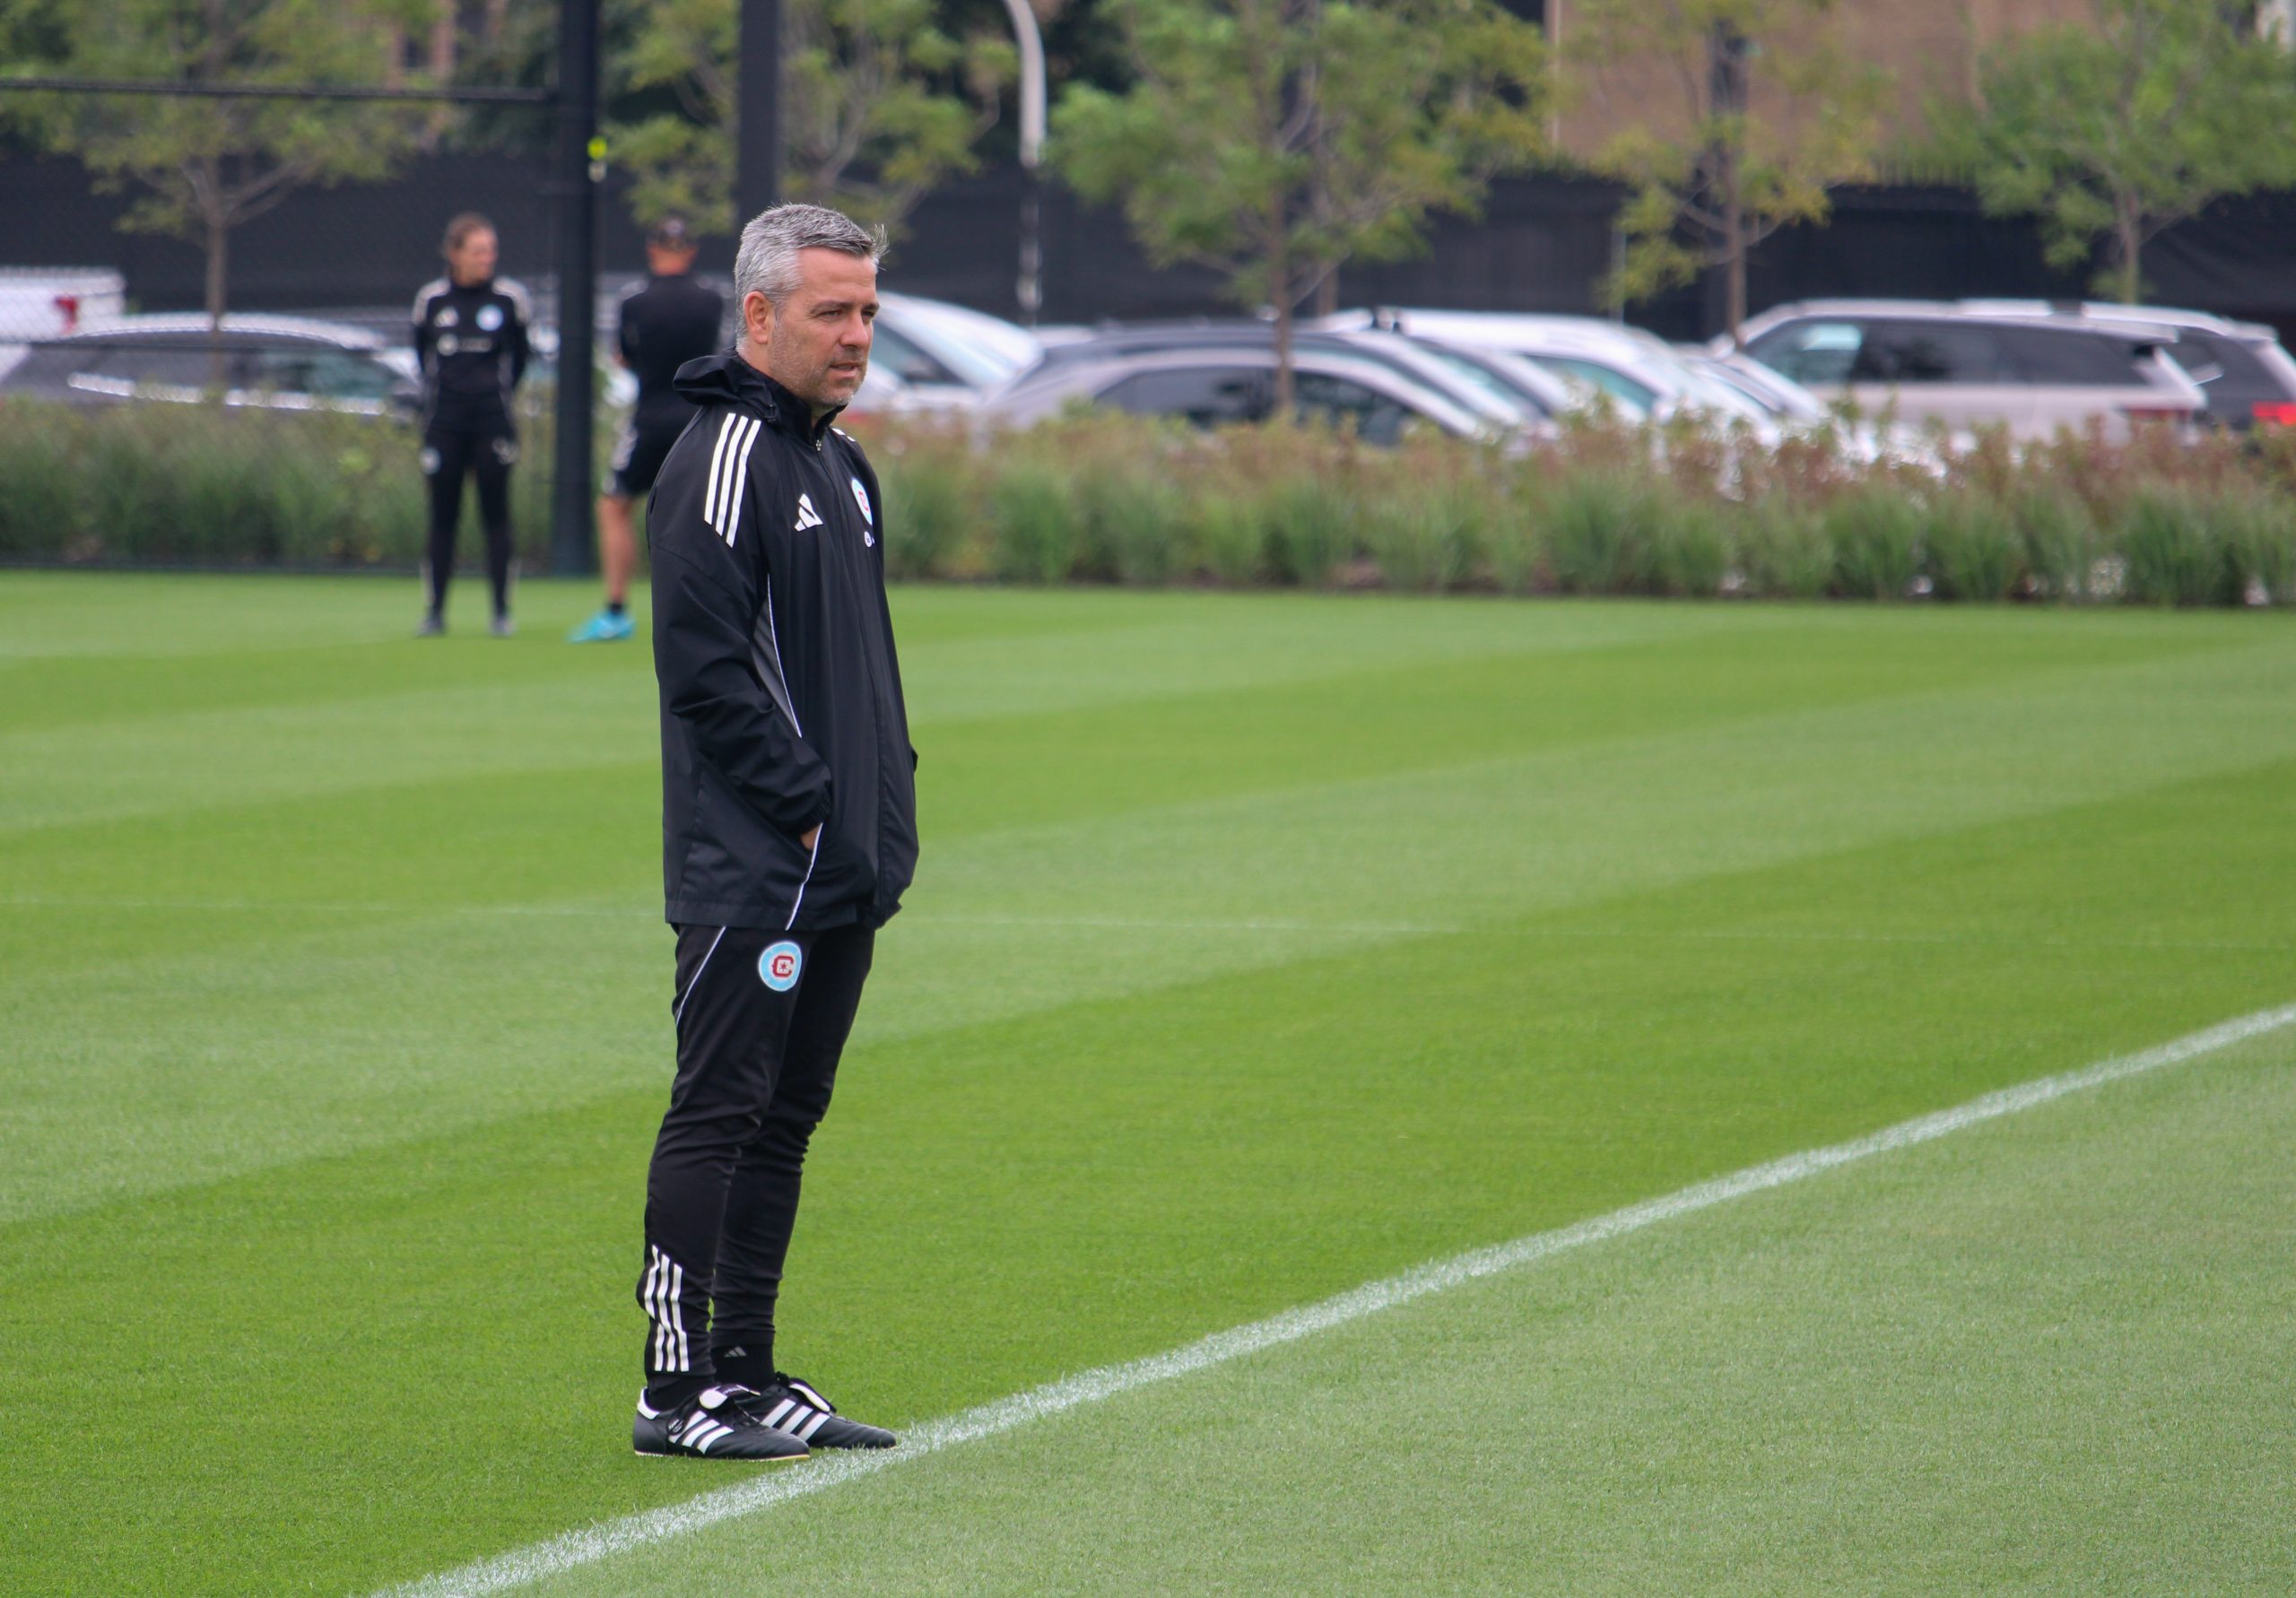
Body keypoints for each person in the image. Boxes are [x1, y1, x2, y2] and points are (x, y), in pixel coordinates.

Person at [631, 204, 919, 1461]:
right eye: (831, 312)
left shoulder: (840, 463)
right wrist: (806, 811)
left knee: (788, 1117)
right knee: (719, 1112)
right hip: (755, 868)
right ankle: (673, 1387)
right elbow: (704, 675)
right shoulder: (722, 458)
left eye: (868, 312)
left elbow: (862, 670)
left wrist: (881, 818)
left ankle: (746, 1368)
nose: (856, 335)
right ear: (759, 314)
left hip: (839, 865)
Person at [570, 217, 726, 644]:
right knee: (707, 513)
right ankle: (712, 607)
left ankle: (616, 610)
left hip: (651, 419)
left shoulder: (635, 300)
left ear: (652, 249)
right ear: (690, 250)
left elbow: (624, 355)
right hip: (700, 420)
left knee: (614, 505)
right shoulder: (711, 298)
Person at [411, 213, 531, 637]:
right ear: (454, 253)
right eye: (478, 251)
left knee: (495, 514)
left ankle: (500, 612)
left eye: (491, 250)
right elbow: (421, 358)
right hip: (444, 423)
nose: (487, 258)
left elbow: (520, 359)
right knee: (442, 515)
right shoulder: (431, 300)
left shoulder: (509, 299)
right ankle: (435, 612)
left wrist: (493, 396)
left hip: (492, 422)